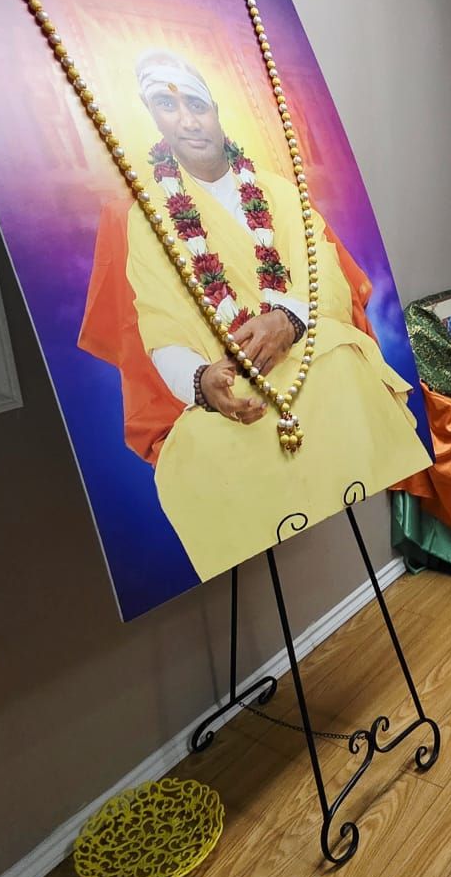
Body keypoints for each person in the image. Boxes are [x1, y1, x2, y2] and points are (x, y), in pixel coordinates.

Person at [94, 50, 428, 579]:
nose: (188, 120)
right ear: (152, 117)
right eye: (167, 105)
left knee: (347, 370)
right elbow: (160, 320)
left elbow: (327, 276)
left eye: (196, 104)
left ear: (216, 110)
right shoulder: (148, 217)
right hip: (231, 390)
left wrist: (287, 320)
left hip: (310, 358)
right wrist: (201, 380)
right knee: (195, 453)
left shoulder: (277, 191)